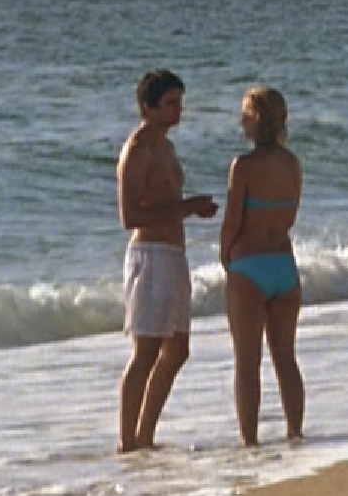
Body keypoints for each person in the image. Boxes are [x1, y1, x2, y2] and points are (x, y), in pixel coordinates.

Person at [116, 69, 218, 453]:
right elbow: (130, 216)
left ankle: (145, 435)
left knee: (177, 349)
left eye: (180, 102)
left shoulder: (166, 147)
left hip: (174, 254)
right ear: (148, 107)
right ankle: (128, 440)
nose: (179, 110)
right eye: (170, 103)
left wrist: (189, 209)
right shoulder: (138, 149)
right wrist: (188, 207)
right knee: (145, 352)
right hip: (150, 256)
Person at [220, 86, 305, 447]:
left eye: (245, 115)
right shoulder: (292, 164)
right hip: (284, 264)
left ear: (256, 118)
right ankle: (295, 431)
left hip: (249, 266)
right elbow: (289, 217)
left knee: (247, 361)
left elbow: (232, 222)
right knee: (286, 358)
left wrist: (225, 254)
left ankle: (250, 441)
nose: (241, 122)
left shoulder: (243, 167)